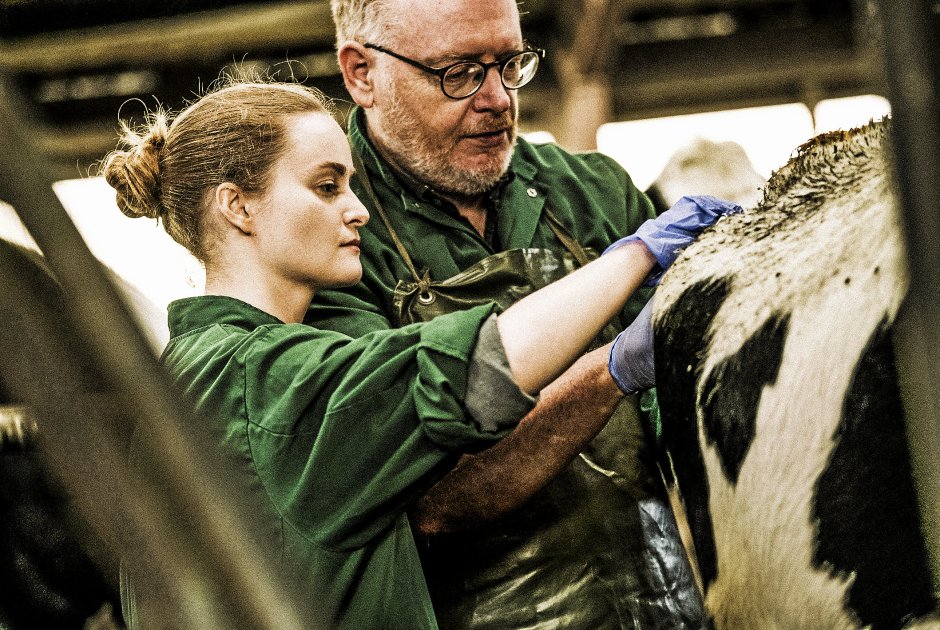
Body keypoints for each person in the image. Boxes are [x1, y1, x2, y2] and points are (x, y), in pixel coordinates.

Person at [100, 81, 734, 629]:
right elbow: (470, 366)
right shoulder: (259, 384)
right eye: (326, 186)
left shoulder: (200, 369)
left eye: (350, 182)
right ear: (237, 205)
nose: (357, 210)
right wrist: (638, 260)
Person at [306, 0, 736, 627]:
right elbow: (433, 500)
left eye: (509, 64)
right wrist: (611, 370)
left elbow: (691, 428)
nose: (497, 99)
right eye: (458, 72)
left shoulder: (588, 192)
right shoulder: (331, 244)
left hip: (660, 610)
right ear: (360, 74)